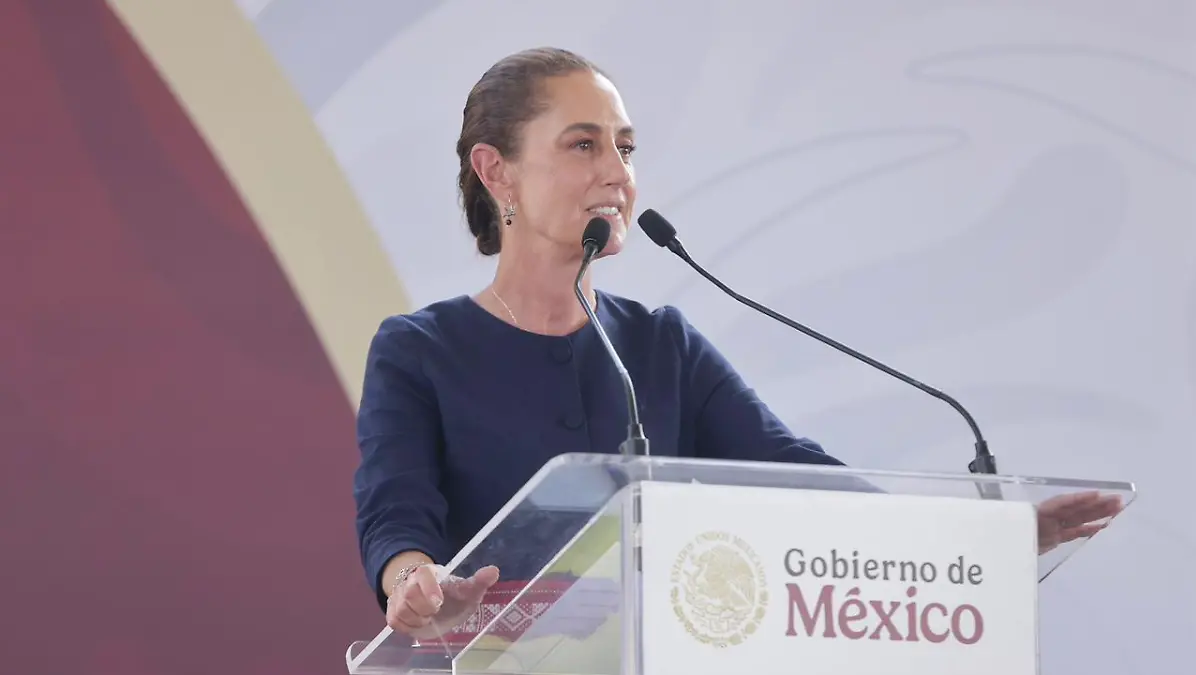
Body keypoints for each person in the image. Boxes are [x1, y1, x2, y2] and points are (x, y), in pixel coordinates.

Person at [353, 47, 1122, 641]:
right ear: (498, 172)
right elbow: (396, 511)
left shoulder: (662, 346)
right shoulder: (421, 351)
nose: (617, 173)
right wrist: (415, 582)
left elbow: (803, 482)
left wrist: (971, 548)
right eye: (583, 145)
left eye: (626, 146)